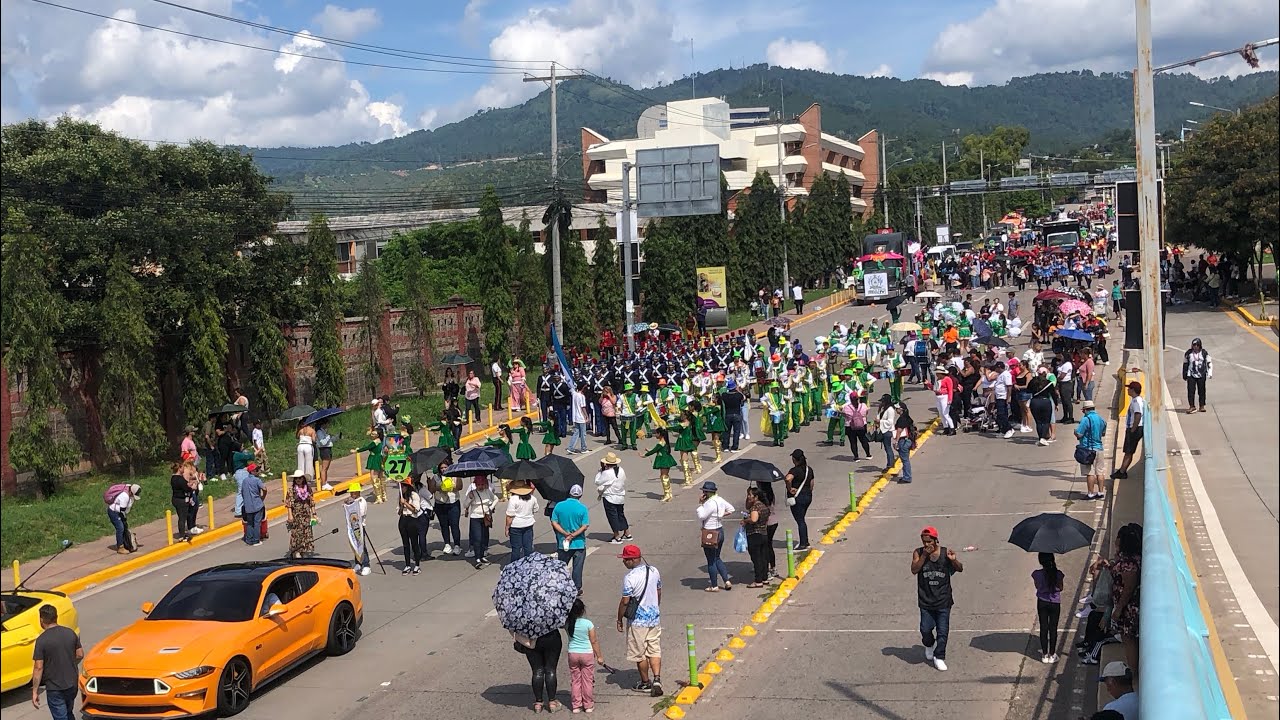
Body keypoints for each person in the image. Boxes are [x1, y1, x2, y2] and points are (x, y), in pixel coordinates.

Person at [911, 526, 962, 672]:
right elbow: (914, 570)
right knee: (925, 629)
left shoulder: (945, 553)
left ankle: (939, 656)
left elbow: (959, 568)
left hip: (943, 600)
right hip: (926, 600)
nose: (926, 544)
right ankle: (929, 645)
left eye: (929, 541)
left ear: (935, 540)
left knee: (943, 631)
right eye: (924, 541)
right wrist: (924, 556)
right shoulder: (918, 553)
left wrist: (954, 560)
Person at [616, 544, 663, 697]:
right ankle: (657, 679)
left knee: (640, 653)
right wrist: (655, 606)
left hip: (637, 621)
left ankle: (645, 682)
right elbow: (658, 591)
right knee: (654, 649)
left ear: (634, 559)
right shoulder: (654, 570)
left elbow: (625, 602)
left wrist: (619, 619)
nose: (624, 562)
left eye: (626, 559)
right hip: (654, 618)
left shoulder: (630, 578)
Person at [31, 604, 83, 720]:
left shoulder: (42, 640)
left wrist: (35, 691)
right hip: (72, 683)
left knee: (61, 716)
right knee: (69, 713)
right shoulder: (70, 633)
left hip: (55, 687)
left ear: (41, 619)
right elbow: (80, 654)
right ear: (56, 617)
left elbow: (38, 667)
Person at [565, 598, 605, 713]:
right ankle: (588, 705)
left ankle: (576, 705)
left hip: (573, 653)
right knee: (587, 680)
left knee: (575, 680)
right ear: (582, 610)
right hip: (586, 653)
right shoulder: (588, 624)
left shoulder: (567, 623)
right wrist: (599, 656)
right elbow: (594, 641)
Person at [695, 481, 735, 591]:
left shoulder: (709, 503)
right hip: (720, 530)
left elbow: (702, 516)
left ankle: (714, 585)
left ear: (707, 493)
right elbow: (731, 509)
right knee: (717, 557)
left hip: (710, 532)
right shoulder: (720, 500)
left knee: (711, 560)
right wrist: (720, 515)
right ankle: (726, 580)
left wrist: (700, 504)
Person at [551, 484, 591, 592]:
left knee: (561, 566)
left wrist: (565, 534)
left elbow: (554, 522)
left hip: (563, 542)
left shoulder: (559, 506)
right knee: (577, 568)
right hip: (578, 543)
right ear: (580, 495)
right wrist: (573, 535)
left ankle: (561, 586)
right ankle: (576, 588)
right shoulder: (582, 508)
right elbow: (585, 525)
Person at [514, 629, 564, 713]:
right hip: (551, 636)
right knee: (550, 670)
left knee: (537, 671)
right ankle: (552, 702)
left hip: (530, 638)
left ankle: (538, 703)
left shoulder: (523, 615)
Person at [1033, 552, 1064, 663]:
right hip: (1055, 603)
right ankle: (1052, 654)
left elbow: (1037, 586)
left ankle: (1044, 654)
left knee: (1043, 627)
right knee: (1053, 628)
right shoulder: (1058, 574)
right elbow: (1060, 588)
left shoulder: (1037, 574)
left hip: (1042, 602)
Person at [595, 453, 631, 544]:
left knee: (612, 517)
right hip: (620, 496)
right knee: (620, 514)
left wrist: (600, 471)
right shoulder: (621, 470)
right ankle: (627, 533)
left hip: (609, 497)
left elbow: (597, 481)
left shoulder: (607, 473)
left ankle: (617, 536)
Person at [1074, 400, 1108, 499]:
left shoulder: (1086, 419)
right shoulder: (1101, 419)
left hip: (1087, 450)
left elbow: (1079, 433)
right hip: (1099, 448)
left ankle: (1090, 493)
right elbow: (1103, 433)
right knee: (1100, 472)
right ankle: (1101, 492)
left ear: (1085, 410)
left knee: (1089, 473)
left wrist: (1075, 433)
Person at [1112, 381, 1145, 479]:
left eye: (1129, 388)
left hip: (1134, 428)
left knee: (1129, 451)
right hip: (1134, 428)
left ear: (1133, 390)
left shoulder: (1136, 402)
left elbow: (1138, 415)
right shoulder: (1137, 400)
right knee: (1128, 451)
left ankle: (1122, 471)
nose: (1127, 390)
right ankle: (1122, 469)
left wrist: (1133, 429)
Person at [464, 474, 498, 569]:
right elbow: (465, 505)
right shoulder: (472, 493)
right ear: (475, 485)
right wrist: (470, 498)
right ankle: (477, 558)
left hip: (485, 517)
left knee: (484, 537)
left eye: (482, 484)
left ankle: (482, 556)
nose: (481, 487)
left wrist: (490, 508)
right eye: (479, 485)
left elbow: (496, 499)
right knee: (477, 538)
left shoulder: (487, 492)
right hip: (475, 517)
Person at [428, 466, 463, 557]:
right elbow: (431, 491)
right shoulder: (436, 477)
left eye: (445, 467)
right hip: (440, 504)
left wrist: (450, 487)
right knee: (444, 525)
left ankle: (457, 545)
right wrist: (436, 486)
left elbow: (460, 487)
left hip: (453, 503)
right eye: (442, 468)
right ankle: (447, 544)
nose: (444, 469)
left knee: (454, 524)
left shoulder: (454, 475)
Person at [784, 449, 815, 550]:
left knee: (800, 520)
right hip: (807, 496)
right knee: (802, 518)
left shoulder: (795, 470)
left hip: (798, 498)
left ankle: (803, 543)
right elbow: (811, 484)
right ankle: (805, 541)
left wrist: (790, 489)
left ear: (794, 459)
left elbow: (788, 479)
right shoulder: (809, 469)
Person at [742, 485, 771, 587]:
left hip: (755, 534)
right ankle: (764, 578)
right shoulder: (764, 506)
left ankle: (758, 580)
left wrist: (745, 520)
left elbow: (754, 519)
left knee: (756, 558)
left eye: (750, 495)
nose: (749, 497)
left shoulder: (755, 507)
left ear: (756, 497)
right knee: (763, 557)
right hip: (763, 533)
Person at [341, 482, 372, 575]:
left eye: (353, 492)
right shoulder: (353, 501)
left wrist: (352, 505)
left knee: (362, 545)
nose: (352, 494)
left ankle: (366, 565)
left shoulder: (361, 501)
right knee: (355, 544)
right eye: (351, 493)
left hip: (360, 527)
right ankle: (358, 562)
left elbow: (360, 513)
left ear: (358, 492)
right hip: (353, 527)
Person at [397, 479, 426, 575]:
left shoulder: (414, 495)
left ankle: (417, 565)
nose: (402, 488)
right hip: (403, 520)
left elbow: (415, 510)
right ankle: (407, 564)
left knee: (414, 542)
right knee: (405, 544)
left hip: (412, 520)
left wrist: (405, 503)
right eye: (401, 486)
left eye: (403, 486)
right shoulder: (401, 496)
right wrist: (401, 505)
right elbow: (399, 512)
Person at [505, 480, 540, 561]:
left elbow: (509, 516)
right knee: (528, 547)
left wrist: (507, 528)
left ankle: (514, 567)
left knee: (516, 548)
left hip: (516, 526)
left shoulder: (513, 499)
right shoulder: (532, 498)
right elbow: (536, 509)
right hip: (528, 524)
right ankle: (528, 566)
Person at [284, 471, 315, 560]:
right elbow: (289, 504)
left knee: (306, 533)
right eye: (296, 478)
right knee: (296, 533)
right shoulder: (291, 490)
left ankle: (304, 550)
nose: (298, 480)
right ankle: (296, 551)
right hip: (296, 514)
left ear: (303, 479)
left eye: (300, 478)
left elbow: (311, 502)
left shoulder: (308, 489)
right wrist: (290, 516)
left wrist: (314, 514)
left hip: (306, 515)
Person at [105, 483, 141, 554]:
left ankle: (125, 542)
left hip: (118, 512)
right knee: (120, 528)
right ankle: (120, 547)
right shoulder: (125, 496)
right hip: (113, 512)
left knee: (124, 527)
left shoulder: (129, 493)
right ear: (131, 492)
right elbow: (122, 509)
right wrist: (123, 519)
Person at [644, 428, 677, 502]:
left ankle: (667, 494)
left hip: (664, 461)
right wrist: (649, 450)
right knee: (665, 476)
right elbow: (656, 450)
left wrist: (645, 455)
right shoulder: (663, 442)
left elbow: (654, 450)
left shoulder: (661, 443)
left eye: (656, 433)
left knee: (664, 476)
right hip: (665, 460)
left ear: (660, 434)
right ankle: (669, 493)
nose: (655, 435)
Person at [1181, 337, 1212, 413]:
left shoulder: (1204, 353)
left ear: (1200, 345)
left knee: (1201, 390)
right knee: (1190, 390)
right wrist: (1184, 374)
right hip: (1191, 374)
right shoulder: (1188, 353)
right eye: (1194, 345)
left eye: (1197, 345)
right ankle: (1192, 406)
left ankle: (1202, 406)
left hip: (1201, 374)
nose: (1195, 346)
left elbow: (1209, 363)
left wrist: (1210, 373)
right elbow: (1185, 364)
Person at [239, 464, 266, 546]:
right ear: (252, 472)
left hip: (248, 506)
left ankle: (249, 539)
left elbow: (242, 492)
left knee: (250, 523)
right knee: (257, 523)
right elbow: (264, 488)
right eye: (257, 470)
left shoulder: (244, 481)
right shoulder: (257, 480)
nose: (258, 472)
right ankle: (256, 540)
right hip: (257, 504)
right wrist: (263, 497)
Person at [170, 462, 195, 543]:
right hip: (182, 500)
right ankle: (182, 535)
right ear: (179, 469)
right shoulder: (180, 479)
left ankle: (182, 533)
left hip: (175, 499)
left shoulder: (173, 478)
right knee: (182, 518)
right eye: (183, 468)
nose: (184, 469)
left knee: (181, 516)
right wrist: (191, 487)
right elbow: (186, 488)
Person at [894, 404, 917, 484]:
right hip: (909, 441)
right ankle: (906, 476)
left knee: (905, 460)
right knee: (905, 460)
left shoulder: (901, 419)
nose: (895, 410)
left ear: (901, 409)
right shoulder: (908, 418)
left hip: (903, 441)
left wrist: (896, 442)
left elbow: (899, 431)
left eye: (897, 408)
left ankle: (907, 477)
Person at [876, 395, 898, 473]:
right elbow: (879, 417)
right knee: (886, 448)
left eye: (883, 401)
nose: (882, 403)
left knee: (888, 448)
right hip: (883, 430)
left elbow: (890, 422)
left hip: (887, 431)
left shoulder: (890, 410)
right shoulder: (883, 409)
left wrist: (880, 422)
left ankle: (890, 464)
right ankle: (890, 463)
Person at [296, 421, 318, 488]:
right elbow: (314, 440)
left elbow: (297, 437)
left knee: (300, 463)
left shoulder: (301, 430)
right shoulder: (312, 430)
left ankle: (300, 477)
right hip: (308, 446)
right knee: (309, 463)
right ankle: (309, 478)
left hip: (300, 446)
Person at [568, 385, 589, 454]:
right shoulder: (582, 396)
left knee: (576, 433)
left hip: (576, 417)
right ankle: (584, 448)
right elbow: (583, 407)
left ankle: (571, 447)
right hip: (581, 417)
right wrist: (586, 416)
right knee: (583, 434)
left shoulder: (575, 394)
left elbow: (571, 388)